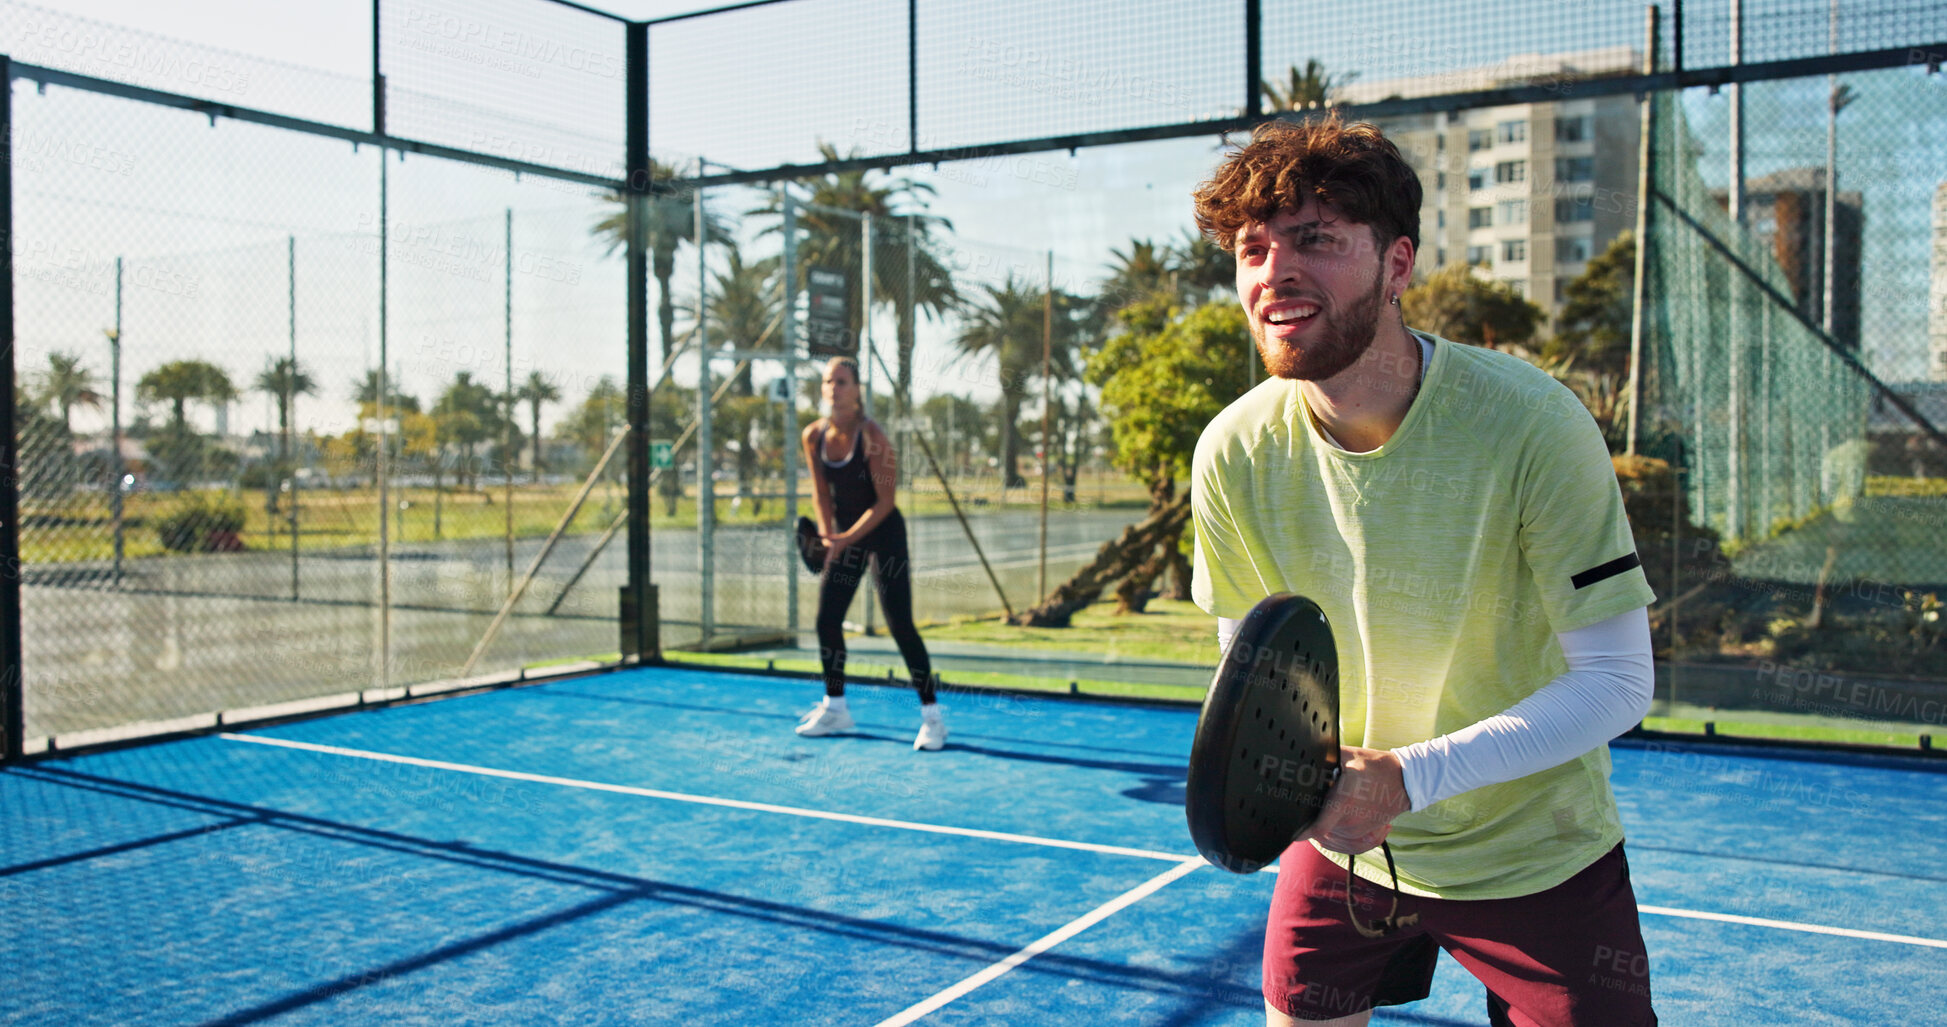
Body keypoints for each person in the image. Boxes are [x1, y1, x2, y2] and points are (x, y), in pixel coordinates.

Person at [1188, 116, 1660, 1026]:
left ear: (1397, 264)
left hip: (1536, 855)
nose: (1271, 272)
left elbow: (1617, 680)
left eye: (1313, 240)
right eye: (1252, 248)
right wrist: (1304, 791)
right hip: (1342, 851)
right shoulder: (1232, 451)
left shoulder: (1532, 423)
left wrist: (1406, 778)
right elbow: (1252, 671)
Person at [795, 356, 946, 751]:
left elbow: (885, 502)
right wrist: (828, 537)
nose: (834, 388)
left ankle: (933, 718)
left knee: (900, 624)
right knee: (827, 621)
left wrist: (843, 539)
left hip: (884, 534)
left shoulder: (873, 435)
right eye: (829, 381)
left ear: (858, 389)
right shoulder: (813, 436)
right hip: (845, 534)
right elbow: (820, 492)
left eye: (842, 382)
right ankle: (836, 708)